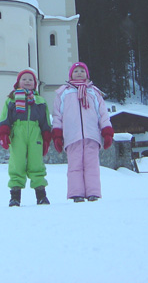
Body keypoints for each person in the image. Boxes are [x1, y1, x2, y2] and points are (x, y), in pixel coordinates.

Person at [52, 62, 114, 202]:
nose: (79, 73)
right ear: (70, 75)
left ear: (87, 74)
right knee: (75, 166)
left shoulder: (94, 92)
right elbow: (57, 115)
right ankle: (76, 193)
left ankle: (93, 192)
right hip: (72, 136)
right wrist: (57, 134)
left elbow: (102, 114)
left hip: (91, 135)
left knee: (92, 166)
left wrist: (107, 131)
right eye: (76, 71)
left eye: (82, 71)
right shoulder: (63, 93)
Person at [0, 68, 52, 207]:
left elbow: (45, 120)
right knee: (17, 163)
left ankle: (41, 195)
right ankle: (15, 196)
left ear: (35, 83)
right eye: (24, 79)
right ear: (18, 83)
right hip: (18, 132)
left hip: (35, 132)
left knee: (36, 163)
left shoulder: (40, 101)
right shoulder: (11, 99)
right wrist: (4, 133)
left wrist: (46, 137)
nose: (27, 81)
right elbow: (5, 117)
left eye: (30, 79)